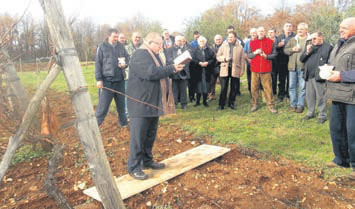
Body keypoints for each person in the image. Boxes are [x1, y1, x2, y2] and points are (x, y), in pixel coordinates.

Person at [127, 32, 185, 180]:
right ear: (150, 42)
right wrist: (171, 68)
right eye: (159, 44)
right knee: (138, 137)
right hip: (140, 103)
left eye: (161, 44)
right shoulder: (140, 55)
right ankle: (134, 167)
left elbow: (160, 73)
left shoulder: (155, 55)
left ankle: (147, 161)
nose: (161, 47)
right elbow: (151, 73)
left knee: (150, 134)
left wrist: (173, 69)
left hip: (153, 101)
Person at [325, 17, 355, 179]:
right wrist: (327, 70)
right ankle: (340, 159)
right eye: (340, 27)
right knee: (336, 128)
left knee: (353, 132)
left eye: (344, 27)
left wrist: (342, 75)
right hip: (337, 93)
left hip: (352, 96)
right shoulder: (339, 43)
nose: (340, 30)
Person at [95, 28, 129, 127]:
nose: (116, 38)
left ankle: (123, 123)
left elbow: (127, 58)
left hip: (120, 81)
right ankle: (96, 126)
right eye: (114, 36)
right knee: (103, 106)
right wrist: (99, 79)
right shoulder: (102, 47)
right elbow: (98, 63)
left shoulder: (121, 46)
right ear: (108, 36)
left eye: (117, 36)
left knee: (121, 105)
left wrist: (125, 64)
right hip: (107, 81)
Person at [300, 32, 333, 124]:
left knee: (321, 96)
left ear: (321, 37)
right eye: (311, 39)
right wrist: (307, 52)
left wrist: (328, 65)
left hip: (320, 76)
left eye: (314, 38)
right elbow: (301, 59)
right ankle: (310, 113)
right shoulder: (309, 46)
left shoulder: (328, 47)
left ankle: (322, 115)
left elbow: (332, 61)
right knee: (309, 96)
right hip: (309, 75)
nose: (312, 40)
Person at [247, 26, 277, 113]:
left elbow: (275, 54)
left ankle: (271, 105)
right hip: (255, 69)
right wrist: (255, 53)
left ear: (265, 32)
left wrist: (266, 56)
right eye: (259, 31)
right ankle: (255, 104)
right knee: (254, 88)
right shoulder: (252, 42)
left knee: (268, 88)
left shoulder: (271, 42)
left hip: (266, 69)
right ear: (257, 32)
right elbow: (249, 55)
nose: (261, 32)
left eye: (262, 31)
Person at [216, 31, 245, 110]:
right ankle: (221, 104)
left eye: (231, 37)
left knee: (234, 88)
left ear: (235, 38)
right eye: (228, 37)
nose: (230, 38)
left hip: (235, 69)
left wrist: (242, 70)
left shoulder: (240, 47)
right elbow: (218, 57)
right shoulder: (223, 46)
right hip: (225, 68)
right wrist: (225, 59)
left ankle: (231, 103)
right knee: (223, 87)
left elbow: (242, 60)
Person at [284, 22, 308, 113]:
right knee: (291, 86)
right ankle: (293, 104)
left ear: (306, 30)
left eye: (301, 29)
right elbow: (285, 50)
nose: (299, 31)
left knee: (302, 87)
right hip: (292, 67)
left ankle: (300, 105)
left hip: (302, 67)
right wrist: (292, 50)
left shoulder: (308, 40)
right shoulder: (293, 40)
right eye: (298, 29)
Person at [166, 35, 190, 109]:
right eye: (178, 41)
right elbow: (168, 59)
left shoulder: (185, 49)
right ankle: (174, 104)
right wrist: (177, 61)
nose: (180, 42)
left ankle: (184, 104)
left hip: (183, 71)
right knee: (174, 89)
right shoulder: (170, 49)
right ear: (175, 41)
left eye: (181, 41)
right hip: (174, 71)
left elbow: (188, 58)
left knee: (183, 89)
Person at [191, 36, 215, 107]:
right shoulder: (195, 50)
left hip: (207, 71)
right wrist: (199, 63)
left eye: (203, 41)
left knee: (206, 86)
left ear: (205, 42)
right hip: (198, 71)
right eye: (200, 41)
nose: (202, 42)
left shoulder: (210, 50)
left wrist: (207, 63)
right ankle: (197, 101)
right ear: (198, 42)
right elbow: (193, 59)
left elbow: (213, 59)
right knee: (198, 86)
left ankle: (205, 101)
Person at [275, 23, 295, 102]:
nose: (288, 28)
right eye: (287, 26)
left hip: (291, 60)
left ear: (292, 28)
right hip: (281, 61)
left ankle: (289, 94)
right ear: (284, 28)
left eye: (290, 26)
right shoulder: (280, 37)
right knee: (281, 79)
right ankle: (281, 95)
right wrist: (278, 46)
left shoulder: (295, 37)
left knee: (290, 80)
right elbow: (275, 48)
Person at [125, 32, 142, 118]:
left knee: (139, 94)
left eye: (139, 37)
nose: (137, 39)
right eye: (136, 37)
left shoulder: (142, 48)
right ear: (132, 37)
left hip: (141, 76)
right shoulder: (126, 48)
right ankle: (128, 114)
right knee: (129, 95)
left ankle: (137, 112)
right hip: (129, 75)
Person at [244, 28, 258, 96]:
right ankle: (251, 92)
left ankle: (259, 91)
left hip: (258, 63)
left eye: (254, 32)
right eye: (252, 33)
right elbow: (245, 52)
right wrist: (248, 59)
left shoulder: (259, 41)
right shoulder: (247, 42)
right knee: (250, 78)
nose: (253, 34)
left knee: (258, 79)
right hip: (249, 63)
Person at [209, 34, 223, 101]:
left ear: (222, 40)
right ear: (214, 40)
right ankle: (212, 96)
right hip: (213, 67)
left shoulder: (225, 47)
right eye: (217, 39)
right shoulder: (211, 47)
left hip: (222, 67)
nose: (218, 41)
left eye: (219, 39)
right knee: (212, 83)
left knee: (223, 83)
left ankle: (223, 96)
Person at [268, 28, 279, 96]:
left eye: (271, 32)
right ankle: (268, 91)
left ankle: (274, 92)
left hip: (277, 62)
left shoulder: (278, 40)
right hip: (268, 61)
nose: (270, 34)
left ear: (274, 33)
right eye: (269, 32)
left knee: (274, 77)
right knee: (268, 77)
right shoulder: (266, 40)